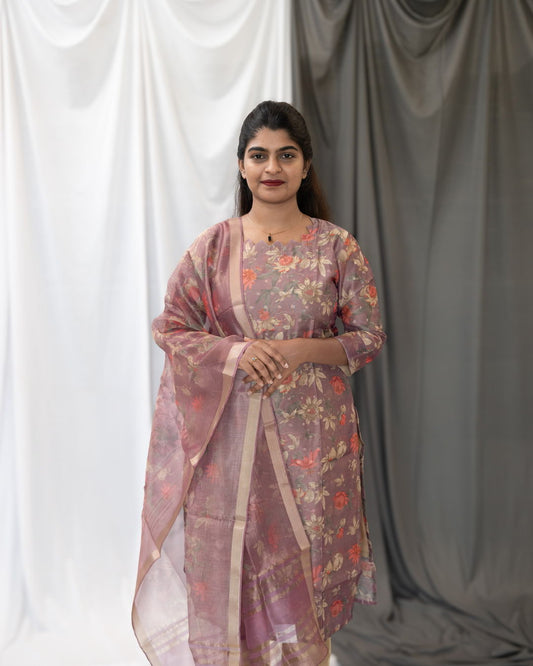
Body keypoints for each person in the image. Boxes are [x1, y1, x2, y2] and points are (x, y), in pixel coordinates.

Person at [132, 101, 386, 666]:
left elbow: (368, 337)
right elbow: (171, 328)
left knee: (307, 593)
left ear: (305, 165)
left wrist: (301, 350)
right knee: (238, 582)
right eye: (259, 155)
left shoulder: (335, 246)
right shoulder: (213, 248)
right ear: (242, 166)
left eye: (286, 155)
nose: (273, 167)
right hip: (232, 451)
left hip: (315, 448)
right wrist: (237, 352)